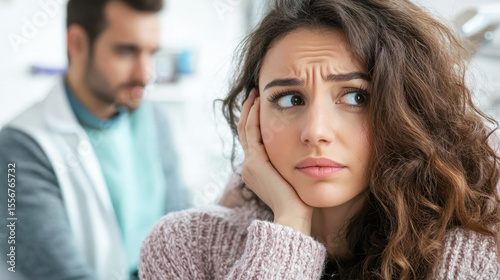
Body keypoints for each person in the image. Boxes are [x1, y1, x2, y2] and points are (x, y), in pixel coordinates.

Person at [139, 0, 500, 279]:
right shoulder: (184, 246)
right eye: (289, 99)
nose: (315, 131)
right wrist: (290, 225)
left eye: (357, 97)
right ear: (253, 116)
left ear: (409, 110)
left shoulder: (475, 248)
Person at [0, 0, 192, 279]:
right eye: (127, 51)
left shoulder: (154, 121)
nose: (145, 74)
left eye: (152, 53)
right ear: (77, 43)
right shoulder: (19, 149)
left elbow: (183, 246)